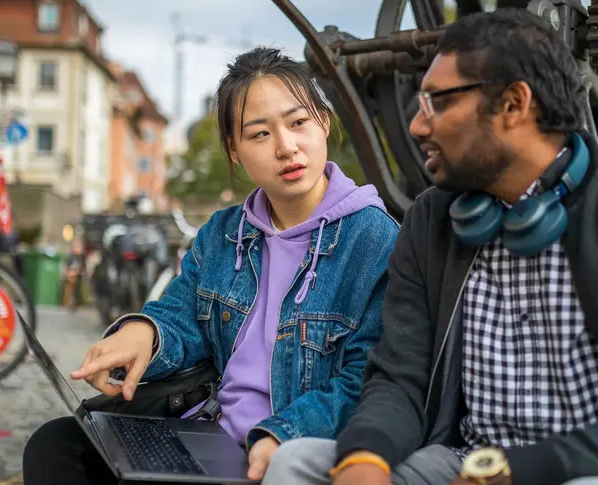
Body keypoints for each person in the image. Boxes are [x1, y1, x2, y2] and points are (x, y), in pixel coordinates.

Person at [264, 8, 598, 485]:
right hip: (463, 463)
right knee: (298, 463)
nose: (417, 127)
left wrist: (518, 472)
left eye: (437, 103)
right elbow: (399, 380)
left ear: (514, 104)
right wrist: (365, 458)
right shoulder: (431, 221)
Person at [22, 46, 399, 485]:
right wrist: (144, 333)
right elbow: (185, 314)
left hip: (286, 451)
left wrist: (282, 435)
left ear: (324, 122)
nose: (286, 146)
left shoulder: (374, 240)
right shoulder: (224, 232)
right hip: (206, 432)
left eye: (298, 122)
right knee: (57, 444)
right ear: (234, 150)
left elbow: (368, 379)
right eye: (259, 134)